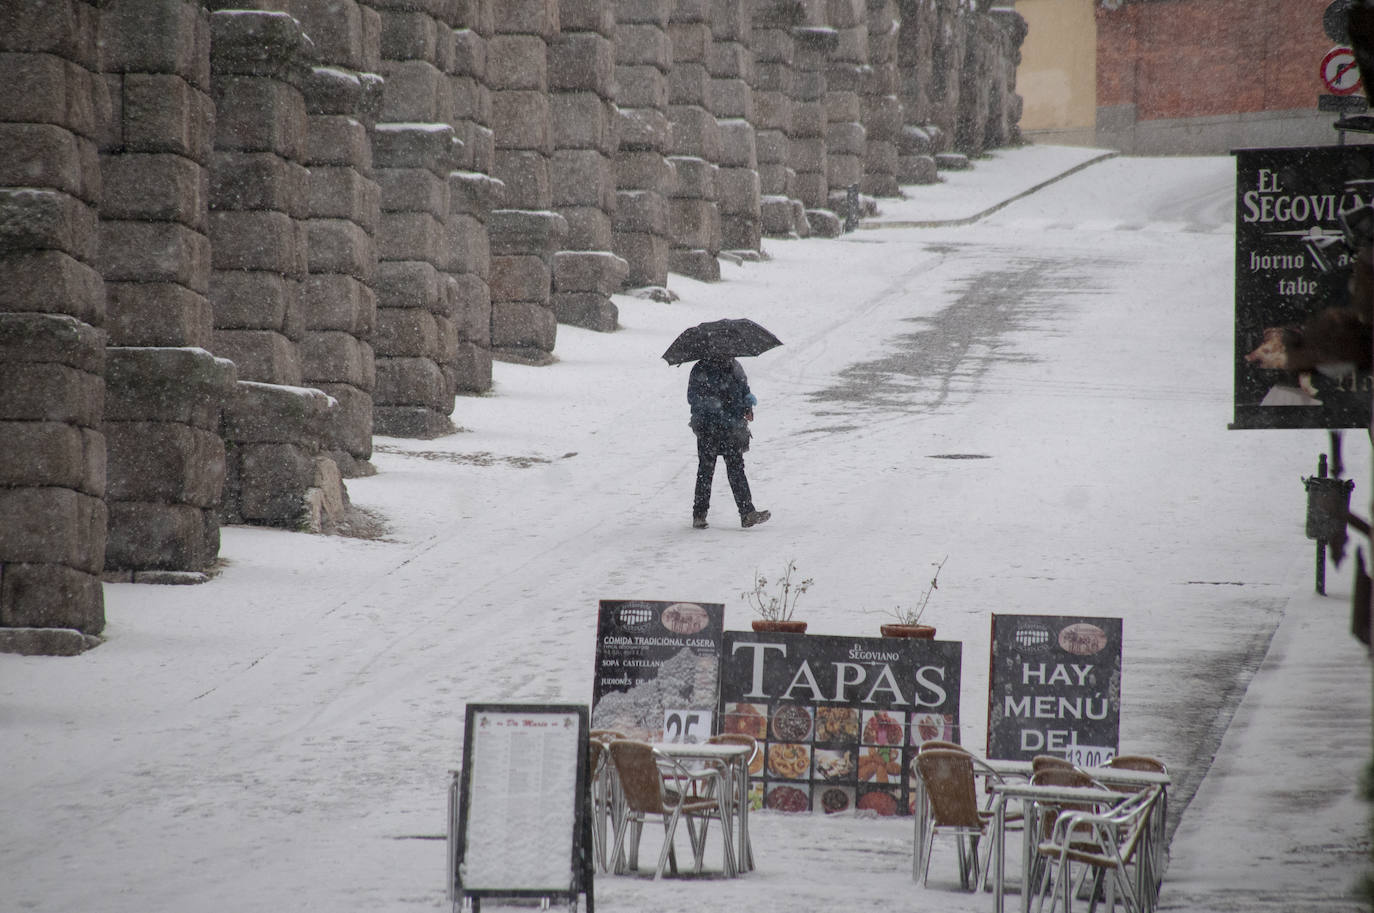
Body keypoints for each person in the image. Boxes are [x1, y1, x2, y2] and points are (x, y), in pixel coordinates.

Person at [687, 355, 770, 529]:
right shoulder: (702, 369)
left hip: (730, 428)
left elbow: (744, 391)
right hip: (708, 427)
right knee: (708, 470)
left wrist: (747, 407)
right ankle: (700, 514)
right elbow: (693, 398)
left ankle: (746, 513)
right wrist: (714, 405)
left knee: (732, 469)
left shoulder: (733, 367)